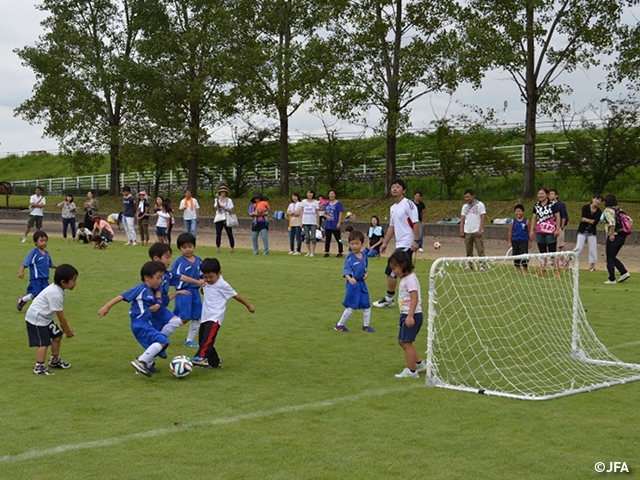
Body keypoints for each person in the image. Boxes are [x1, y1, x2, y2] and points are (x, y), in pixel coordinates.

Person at [98, 261, 169, 377]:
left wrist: (157, 305)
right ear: (147, 278)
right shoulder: (140, 288)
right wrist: (106, 307)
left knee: (156, 342)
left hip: (144, 323)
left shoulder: (151, 291)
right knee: (162, 340)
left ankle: (145, 366)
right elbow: (122, 296)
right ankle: (141, 361)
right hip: (139, 323)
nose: (160, 281)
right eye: (158, 278)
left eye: (161, 278)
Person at [191, 258, 256, 369]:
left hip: (215, 317)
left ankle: (201, 356)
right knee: (203, 339)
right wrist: (203, 288)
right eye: (205, 277)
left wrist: (248, 305)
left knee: (207, 339)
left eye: (211, 277)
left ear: (219, 273)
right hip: (205, 316)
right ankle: (214, 363)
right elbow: (206, 290)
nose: (208, 279)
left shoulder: (223, 285)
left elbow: (236, 296)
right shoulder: (206, 283)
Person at [147, 243, 204, 358]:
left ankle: (150, 358)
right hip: (154, 311)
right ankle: (145, 359)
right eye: (167, 258)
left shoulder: (167, 274)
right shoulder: (151, 277)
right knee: (160, 336)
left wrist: (197, 282)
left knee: (170, 327)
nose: (169, 261)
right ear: (156, 258)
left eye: (170, 257)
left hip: (162, 309)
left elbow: (181, 277)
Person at [373, 179, 420, 308]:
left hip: (407, 244)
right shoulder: (393, 208)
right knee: (404, 271)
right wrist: (385, 243)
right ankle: (408, 298)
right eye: (392, 186)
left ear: (403, 190)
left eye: (398, 187)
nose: (394, 189)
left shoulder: (408, 204)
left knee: (392, 270)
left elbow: (416, 223)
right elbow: (391, 227)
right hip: (399, 244)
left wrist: (416, 241)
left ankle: (390, 299)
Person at [25, 264, 78, 375]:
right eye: (74, 280)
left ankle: (54, 360)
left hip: (45, 318)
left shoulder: (60, 289)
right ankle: (39, 367)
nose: (75, 283)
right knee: (43, 343)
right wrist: (67, 331)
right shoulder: (55, 294)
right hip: (37, 319)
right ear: (63, 282)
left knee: (57, 335)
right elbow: (60, 315)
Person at [387, 250, 426, 379]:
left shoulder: (410, 280)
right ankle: (419, 364)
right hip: (406, 314)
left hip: (412, 315)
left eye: (395, 268)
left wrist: (410, 315)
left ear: (403, 265)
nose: (394, 271)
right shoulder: (405, 278)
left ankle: (411, 371)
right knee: (402, 341)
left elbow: (414, 298)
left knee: (407, 343)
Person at [334, 230, 375, 333]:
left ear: (361, 244)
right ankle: (339, 325)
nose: (354, 246)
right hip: (353, 285)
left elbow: (365, 268)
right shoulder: (349, 257)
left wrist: (366, 275)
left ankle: (366, 326)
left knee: (366, 304)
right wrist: (350, 279)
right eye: (352, 244)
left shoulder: (364, 256)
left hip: (362, 284)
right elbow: (346, 270)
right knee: (352, 306)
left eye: (357, 243)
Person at [171, 233, 203, 347]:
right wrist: (196, 282)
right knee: (184, 317)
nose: (187, 250)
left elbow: (202, 276)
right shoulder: (179, 262)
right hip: (184, 292)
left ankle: (189, 340)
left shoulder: (199, 260)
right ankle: (163, 331)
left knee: (197, 317)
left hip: (195, 292)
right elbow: (177, 276)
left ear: (194, 246)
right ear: (180, 248)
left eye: (190, 246)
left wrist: (203, 286)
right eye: (184, 247)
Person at [17, 231, 57, 311]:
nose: (44, 243)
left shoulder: (47, 254)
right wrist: (21, 271)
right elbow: (26, 263)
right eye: (41, 241)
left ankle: (42, 307)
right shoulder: (34, 252)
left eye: (45, 241)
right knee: (36, 294)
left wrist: (58, 267)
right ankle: (23, 300)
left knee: (46, 293)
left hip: (45, 279)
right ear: (35, 242)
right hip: (36, 278)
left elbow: (50, 264)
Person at [529, 186, 561, 278]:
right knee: (542, 252)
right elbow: (534, 218)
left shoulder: (553, 204)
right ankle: (542, 269)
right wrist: (531, 230)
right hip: (540, 231)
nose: (540, 195)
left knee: (552, 251)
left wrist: (557, 228)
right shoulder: (536, 205)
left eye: (542, 193)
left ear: (547, 194)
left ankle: (556, 270)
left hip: (551, 231)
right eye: (539, 194)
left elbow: (558, 216)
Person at [602, 194, 631, 284]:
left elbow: (611, 222)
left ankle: (612, 278)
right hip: (622, 236)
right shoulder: (619, 210)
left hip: (614, 236)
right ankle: (623, 272)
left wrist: (612, 234)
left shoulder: (608, 211)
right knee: (612, 256)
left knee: (609, 258)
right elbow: (630, 220)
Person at [574, 195, 603, 272]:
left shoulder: (599, 211)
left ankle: (592, 265)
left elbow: (595, 222)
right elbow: (583, 218)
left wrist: (588, 220)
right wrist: (590, 220)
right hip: (582, 230)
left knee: (593, 248)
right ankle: (568, 261)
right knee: (578, 247)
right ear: (592, 199)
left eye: (599, 200)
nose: (597, 201)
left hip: (592, 231)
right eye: (596, 199)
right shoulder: (585, 207)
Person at [460, 189, 487, 270]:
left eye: (468, 197)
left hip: (476, 229)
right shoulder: (465, 206)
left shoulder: (480, 205)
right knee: (468, 249)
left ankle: (482, 264)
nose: (467, 199)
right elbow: (462, 218)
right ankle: (469, 264)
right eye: (465, 197)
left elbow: (483, 217)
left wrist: (480, 229)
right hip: (468, 230)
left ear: (472, 196)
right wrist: (462, 230)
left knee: (480, 248)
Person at [508, 204, 530, 274]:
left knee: (524, 255)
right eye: (516, 211)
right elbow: (510, 232)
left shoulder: (526, 221)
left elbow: (529, 232)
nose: (518, 213)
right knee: (516, 255)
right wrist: (509, 241)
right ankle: (518, 268)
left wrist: (530, 241)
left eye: (519, 211)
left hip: (524, 240)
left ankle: (525, 269)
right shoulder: (512, 222)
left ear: (523, 212)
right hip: (515, 240)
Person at [213, 186, 235, 254]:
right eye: (222, 192)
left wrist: (224, 207)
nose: (223, 193)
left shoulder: (229, 200)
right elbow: (216, 208)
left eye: (224, 192)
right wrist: (218, 202)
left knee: (229, 233)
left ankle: (232, 247)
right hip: (219, 217)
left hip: (226, 217)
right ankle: (218, 247)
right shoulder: (217, 199)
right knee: (218, 233)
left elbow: (230, 209)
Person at [323, 189, 344, 258]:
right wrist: (326, 216)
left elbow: (340, 213)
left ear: (335, 195)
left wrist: (339, 222)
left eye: (332, 194)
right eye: (330, 194)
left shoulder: (339, 203)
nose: (331, 195)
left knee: (338, 239)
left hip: (335, 223)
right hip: (328, 224)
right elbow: (324, 213)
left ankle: (340, 252)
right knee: (328, 239)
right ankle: (327, 252)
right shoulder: (327, 204)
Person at [301, 189, 320, 257]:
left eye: (311, 193)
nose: (309, 195)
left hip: (313, 222)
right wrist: (301, 221)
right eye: (308, 193)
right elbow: (302, 212)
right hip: (305, 221)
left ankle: (313, 252)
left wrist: (318, 222)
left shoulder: (315, 202)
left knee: (313, 237)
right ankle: (308, 251)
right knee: (307, 237)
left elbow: (317, 213)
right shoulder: (303, 201)